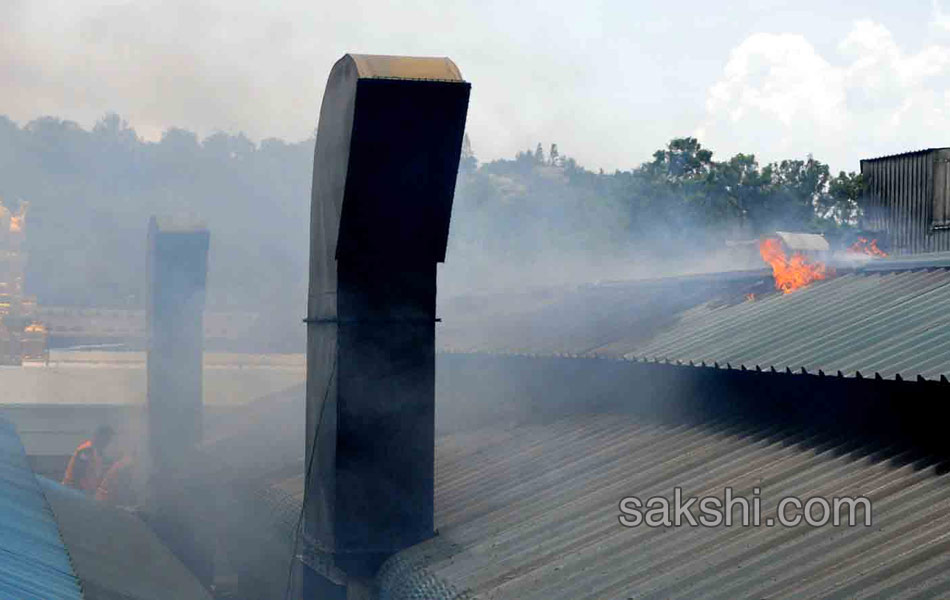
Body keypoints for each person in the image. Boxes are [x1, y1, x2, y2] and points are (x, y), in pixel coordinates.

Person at [62, 425, 114, 493]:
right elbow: (78, 474)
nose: (107, 442)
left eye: (109, 439)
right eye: (106, 438)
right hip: (73, 490)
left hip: (86, 491)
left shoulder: (99, 453)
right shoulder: (86, 450)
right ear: (99, 437)